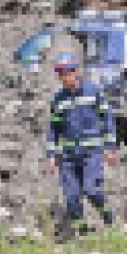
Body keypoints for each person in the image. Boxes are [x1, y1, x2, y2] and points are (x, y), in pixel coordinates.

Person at [46, 52, 118, 236]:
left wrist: (110, 147)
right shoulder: (58, 100)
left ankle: (109, 218)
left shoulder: (93, 92)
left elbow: (107, 119)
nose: (65, 76)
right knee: (71, 197)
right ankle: (83, 233)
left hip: (91, 153)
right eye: (60, 73)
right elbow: (53, 128)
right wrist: (51, 154)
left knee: (91, 189)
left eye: (68, 71)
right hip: (68, 156)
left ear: (77, 71)